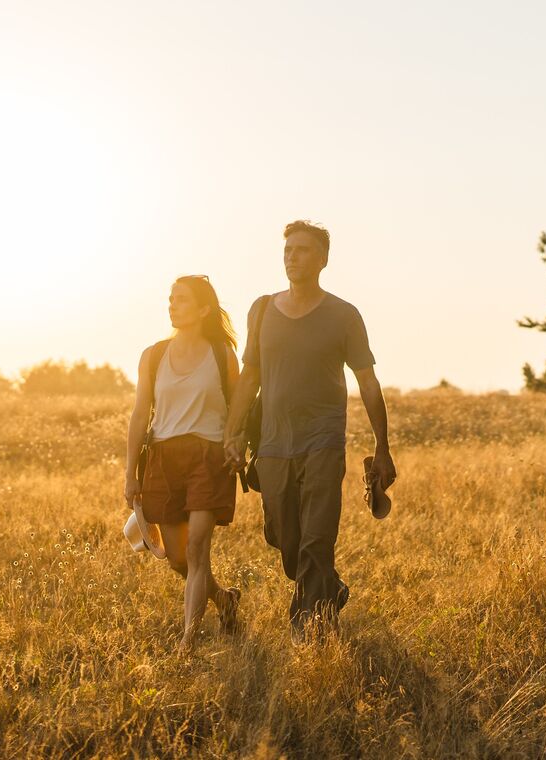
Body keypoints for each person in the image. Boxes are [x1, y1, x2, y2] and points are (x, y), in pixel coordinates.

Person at [226, 220, 396, 639]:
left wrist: (383, 444)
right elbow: (250, 376)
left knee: (316, 540)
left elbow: (367, 382)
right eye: (287, 249)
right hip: (271, 444)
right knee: (286, 543)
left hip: (323, 440)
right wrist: (232, 433)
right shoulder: (262, 310)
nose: (291, 256)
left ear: (322, 260)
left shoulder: (343, 315)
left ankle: (310, 630)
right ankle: (331, 588)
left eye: (302, 250)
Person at [124, 274, 243, 651]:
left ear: (204, 308)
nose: (172, 305)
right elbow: (140, 414)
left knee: (196, 552)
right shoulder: (153, 355)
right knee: (176, 557)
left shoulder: (222, 354)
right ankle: (224, 599)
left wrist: (237, 445)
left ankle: (187, 641)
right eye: (171, 298)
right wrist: (130, 474)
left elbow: (240, 409)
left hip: (209, 457)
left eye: (182, 299)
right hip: (163, 457)